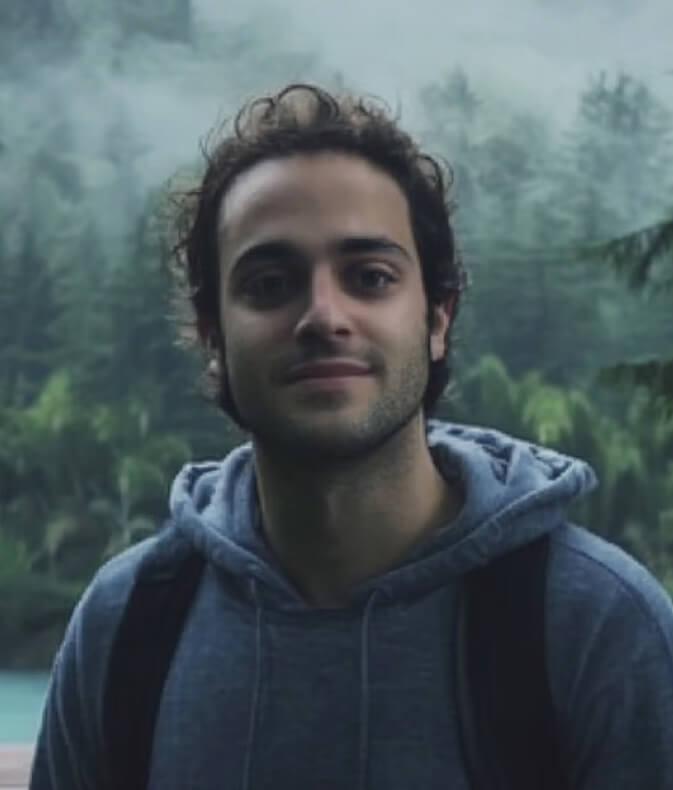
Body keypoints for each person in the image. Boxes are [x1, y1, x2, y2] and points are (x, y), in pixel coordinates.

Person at [30, 83, 673, 790]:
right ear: (212, 335)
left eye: (369, 277)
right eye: (270, 283)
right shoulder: (127, 627)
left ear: (435, 319)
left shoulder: (594, 628)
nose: (322, 315)